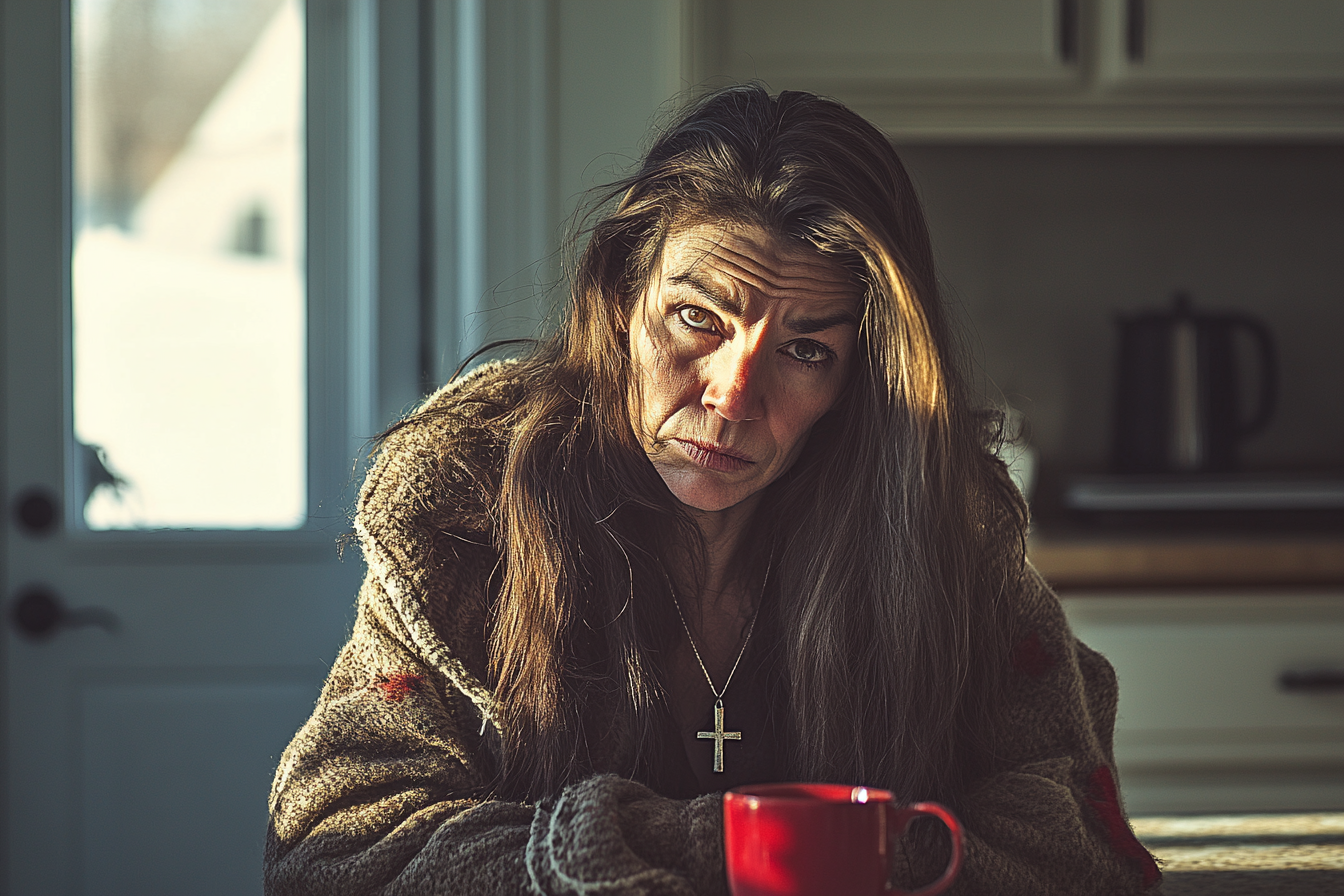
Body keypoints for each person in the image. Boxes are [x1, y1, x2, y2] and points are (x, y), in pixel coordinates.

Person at [265, 86, 1162, 895]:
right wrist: (756, 853)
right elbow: (334, 851)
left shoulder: (939, 527)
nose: (731, 399)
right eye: (697, 318)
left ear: (859, 377)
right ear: (622, 296)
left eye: (806, 349)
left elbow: (1082, 846)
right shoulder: (466, 513)